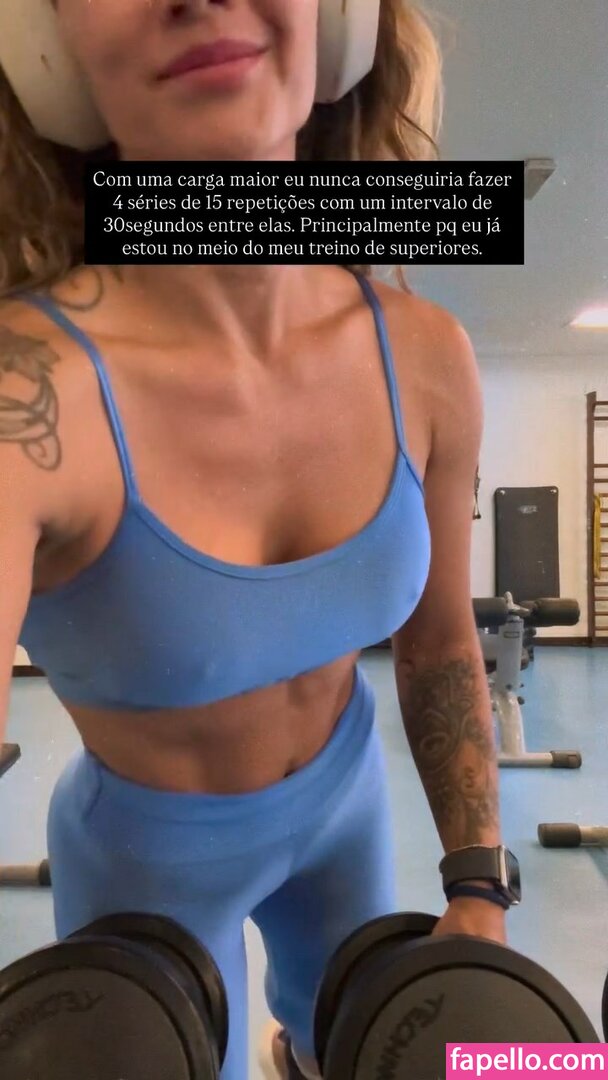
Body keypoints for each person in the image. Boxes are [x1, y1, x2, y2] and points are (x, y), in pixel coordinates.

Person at [0, 2, 519, 1078]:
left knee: (460, 1062)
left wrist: (478, 883)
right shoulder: (27, 402)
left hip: (345, 807)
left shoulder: (425, 355)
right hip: (144, 862)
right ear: (44, 46)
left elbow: (436, 646)